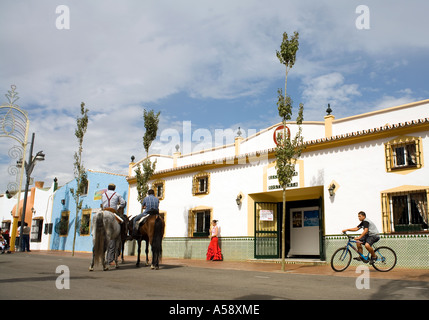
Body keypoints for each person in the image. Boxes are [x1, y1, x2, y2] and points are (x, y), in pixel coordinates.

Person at [101, 183, 126, 265]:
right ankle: (122, 235)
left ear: (108, 188)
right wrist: (118, 207)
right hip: (112, 212)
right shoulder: (117, 194)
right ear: (114, 188)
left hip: (104, 211)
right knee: (122, 222)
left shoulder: (103, 194)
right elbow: (123, 203)